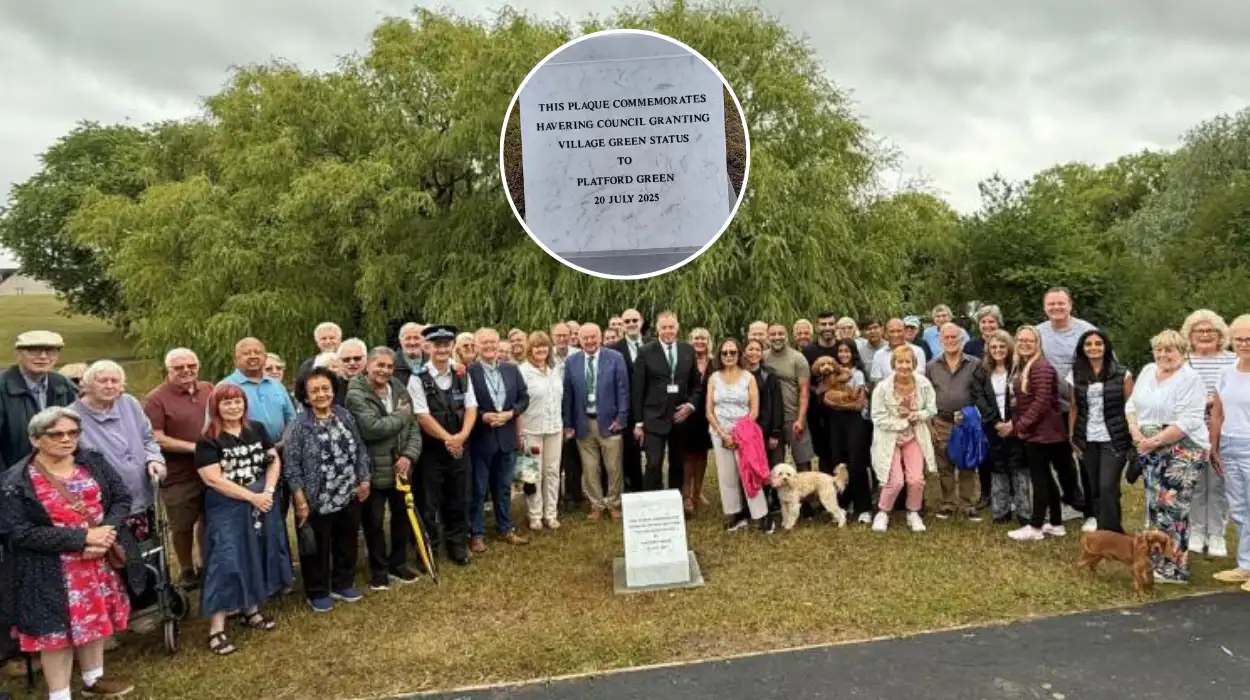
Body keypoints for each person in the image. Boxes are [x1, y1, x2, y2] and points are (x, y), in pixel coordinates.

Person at [1, 407, 140, 698]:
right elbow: (18, 532)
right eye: (56, 434)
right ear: (35, 439)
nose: (67, 439)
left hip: (96, 562)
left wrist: (106, 533)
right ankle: (60, 694)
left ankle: (93, 680)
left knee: (95, 620)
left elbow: (121, 498)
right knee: (56, 636)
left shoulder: (93, 461)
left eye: (73, 433)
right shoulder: (16, 481)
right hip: (48, 570)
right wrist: (82, 538)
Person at [195, 383, 289, 654]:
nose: (234, 407)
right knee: (227, 559)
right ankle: (217, 629)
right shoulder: (208, 439)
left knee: (256, 551)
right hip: (228, 505)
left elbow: (272, 460)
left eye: (238, 401)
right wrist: (251, 497)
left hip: (262, 499)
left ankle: (252, 609)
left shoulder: (256, 429)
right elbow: (212, 479)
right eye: (227, 402)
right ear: (216, 407)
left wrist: (268, 491)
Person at [1126, 329, 1209, 585]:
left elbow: (1188, 420)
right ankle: (1155, 562)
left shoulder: (1190, 378)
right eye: (1159, 349)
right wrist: (1135, 431)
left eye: (1169, 350)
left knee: (1173, 509)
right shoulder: (1148, 371)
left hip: (1182, 449)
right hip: (1149, 447)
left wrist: (1155, 441)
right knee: (1154, 507)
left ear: (1182, 352)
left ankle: (1176, 568)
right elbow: (1132, 405)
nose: (1163, 354)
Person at [286, 367, 371, 610]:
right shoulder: (299, 425)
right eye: (315, 391)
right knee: (317, 547)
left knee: (347, 540)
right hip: (316, 498)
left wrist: (364, 479)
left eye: (326, 388)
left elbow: (360, 448)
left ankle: (343, 583)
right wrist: (300, 500)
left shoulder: (344, 415)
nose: (321, 394)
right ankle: (317, 591)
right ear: (305, 396)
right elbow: (291, 466)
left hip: (347, 491)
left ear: (333, 390)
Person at [344, 347, 423, 590]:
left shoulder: (398, 387)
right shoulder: (356, 394)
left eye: (389, 366)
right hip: (373, 469)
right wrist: (402, 416)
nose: (385, 371)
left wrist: (409, 455)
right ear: (368, 365)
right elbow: (371, 428)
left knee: (401, 517)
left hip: (400, 468)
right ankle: (379, 570)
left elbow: (414, 427)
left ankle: (398, 563)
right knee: (374, 523)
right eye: (380, 365)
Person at [143, 348, 214, 590]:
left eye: (191, 366)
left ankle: (205, 563)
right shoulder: (156, 399)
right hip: (179, 475)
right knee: (182, 525)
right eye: (179, 367)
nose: (186, 371)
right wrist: (194, 448)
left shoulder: (208, 389)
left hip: (211, 470)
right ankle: (186, 568)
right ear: (168, 370)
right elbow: (156, 437)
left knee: (208, 519)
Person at [407, 325, 477, 566]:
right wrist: (449, 439)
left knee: (459, 499)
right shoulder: (417, 377)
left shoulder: (462, 373)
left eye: (446, 345)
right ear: (428, 347)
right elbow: (421, 415)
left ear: (452, 347)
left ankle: (457, 546)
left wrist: (462, 436)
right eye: (437, 345)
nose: (442, 349)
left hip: (459, 447)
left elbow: (471, 407)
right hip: (432, 451)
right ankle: (428, 550)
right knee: (428, 503)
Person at [466, 328, 530, 552]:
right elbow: (466, 404)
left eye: (493, 342)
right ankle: (476, 533)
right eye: (484, 343)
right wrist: (483, 416)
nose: (489, 346)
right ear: (477, 346)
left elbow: (524, 398)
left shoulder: (511, 369)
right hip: (481, 438)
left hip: (506, 437)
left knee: (503, 487)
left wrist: (512, 413)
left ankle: (505, 528)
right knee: (478, 488)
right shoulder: (469, 372)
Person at [1067, 329, 1134, 533]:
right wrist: (1072, 437)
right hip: (1087, 438)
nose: (1093, 347)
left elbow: (1131, 407)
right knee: (1095, 486)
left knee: (1107, 486)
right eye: (1088, 344)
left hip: (1113, 438)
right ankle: (1102, 525)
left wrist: (1133, 436)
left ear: (1106, 347)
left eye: (1098, 343)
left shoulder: (1122, 374)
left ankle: (1111, 532)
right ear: (1082, 348)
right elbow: (1074, 407)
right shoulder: (1075, 374)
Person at [1007, 326, 1070, 542]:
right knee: (1047, 479)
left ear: (1038, 344)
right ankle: (1056, 523)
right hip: (1039, 431)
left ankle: (1035, 526)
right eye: (1021, 340)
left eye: (1030, 340)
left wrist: (1021, 425)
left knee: (1040, 480)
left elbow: (1041, 402)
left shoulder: (1041, 367)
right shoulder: (1026, 365)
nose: (1024, 344)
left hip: (1043, 433)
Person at [562, 323, 629, 521]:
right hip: (583, 423)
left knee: (613, 467)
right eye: (586, 338)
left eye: (593, 337)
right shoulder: (572, 361)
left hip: (610, 422)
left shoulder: (615, 358)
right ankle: (596, 504)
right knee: (590, 468)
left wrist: (621, 418)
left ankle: (614, 503)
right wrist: (568, 423)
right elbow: (568, 395)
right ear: (579, 340)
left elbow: (623, 390)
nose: (590, 341)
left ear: (600, 337)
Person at [1183, 309, 1236, 558]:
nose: (1204, 335)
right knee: (1194, 483)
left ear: (1220, 334)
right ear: (1190, 335)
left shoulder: (1232, 360)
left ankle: (1216, 533)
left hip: (1225, 430)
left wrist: (1216, 402)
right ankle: (1196, 530)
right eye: (1199, 331)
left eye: (1210, 330)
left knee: (1217, 484)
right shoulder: (1183, 361)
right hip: (1190, 432)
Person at [632, 312, 704, 492]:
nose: (668, 331)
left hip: (680, 418)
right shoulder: (646, 351)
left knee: (678, 464)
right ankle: (651, 500)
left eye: (671, 327)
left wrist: (691, 405)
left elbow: (696, 386)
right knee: (653, 463)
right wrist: (638, 422)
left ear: (677, 328)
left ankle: (675, 500)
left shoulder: (687, 350)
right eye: (664, 327)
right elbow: (638, 389)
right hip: (653, 418)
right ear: (658, 330)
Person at [870, 346, 937, 533]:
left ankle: (913, 512)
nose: (904, 366)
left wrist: (917, 415)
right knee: (896, 480)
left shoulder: (923, 384)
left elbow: (932, 409)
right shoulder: (883, 388)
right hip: (889, 438)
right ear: (894, 364)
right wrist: (903, 422)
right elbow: (877, 417)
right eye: (900, 362)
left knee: (916, 479)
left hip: (914, 435)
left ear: (914, 364)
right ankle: (883, 512)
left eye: (908, 362)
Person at [705, 338, 767, 532]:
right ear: (720, 355)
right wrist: (723, 434)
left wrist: (738, 433)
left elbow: (754, 410)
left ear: (739, 354)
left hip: (744, 433)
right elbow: (709, 411)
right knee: (727, 476)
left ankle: (760, 515)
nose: (729, 356)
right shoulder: (714, 378)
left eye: (733, 352)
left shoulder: (748, 377)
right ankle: (734, 513)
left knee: (750, 473)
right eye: (725, 353)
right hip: (720, 433)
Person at [970, 330, 1030, 525]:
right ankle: (1001, 511)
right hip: (993, 426)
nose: (998, 350)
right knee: (997, 466)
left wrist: (1013, 423)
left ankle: (1024, 511)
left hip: (1017, 425)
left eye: (1002, 346)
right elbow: (979, 396)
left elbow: (1026, 398)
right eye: (993, 347)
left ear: (1010, 347)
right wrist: (995, 422)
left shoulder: (1019, 369)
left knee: (1019, 466)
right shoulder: (982, 371)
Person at [926, 323, 982, 521]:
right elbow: (927, 396)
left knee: (967, 463)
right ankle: (948, 503)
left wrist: (972, 416)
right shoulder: (931, 366)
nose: (950, 341)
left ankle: (967, 504)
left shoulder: (974, 363)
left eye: (954, 337)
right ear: (940, 340)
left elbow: (980, 393)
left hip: (966, 421)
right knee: (945, 464)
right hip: (942, 420)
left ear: (962, 339)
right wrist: (930, 424)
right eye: (946, 338)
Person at [1211, 314, 1250, 590]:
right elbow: (1217, 413)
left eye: (1249, 339)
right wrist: (1214, 447)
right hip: (1228, 446)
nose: (1244, 344)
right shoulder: (1226, 372)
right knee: (1238, 509)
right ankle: (1246, 565)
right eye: (1239, 339)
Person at [1, 331, 77, 468]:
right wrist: (7, 478)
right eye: (34, 350)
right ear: (18, 354)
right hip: (12, 473)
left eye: (50, 351)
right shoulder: (3, 386)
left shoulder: (63, 384)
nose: (43, 356)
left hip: (56, 470)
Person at [518, 331, 564, 530]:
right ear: (530, 349)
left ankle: (551, 514)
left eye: (544, 346)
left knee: (552, 472)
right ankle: (535, 515)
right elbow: (518, 403)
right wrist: (520, 432)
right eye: (536, 346)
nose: (541, 350)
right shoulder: (523, 371)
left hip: (554, 428)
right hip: (531, 430)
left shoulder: (555, 370)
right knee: (532, 474)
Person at [608, 308, 650, 493]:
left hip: (651, 407)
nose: (632, 324)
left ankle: (652, 488)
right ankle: (634, 489)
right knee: (630, 453)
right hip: (626, 409)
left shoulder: (653, 344)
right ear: (622, 325)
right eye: (627, 321)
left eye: (635, 320)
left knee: (654, 453)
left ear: (641, 322)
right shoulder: (613, 350)